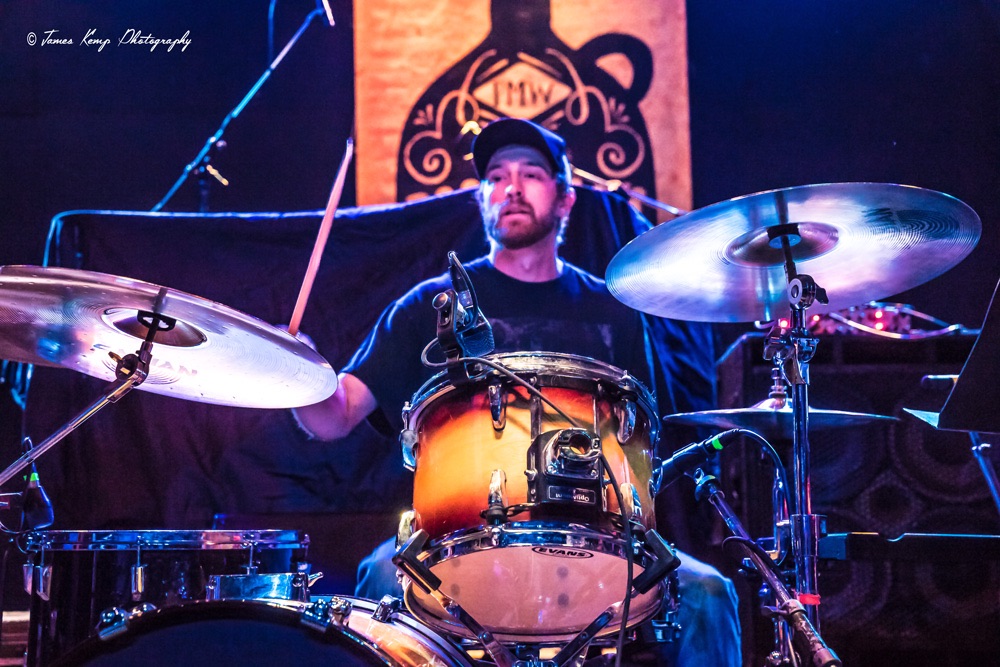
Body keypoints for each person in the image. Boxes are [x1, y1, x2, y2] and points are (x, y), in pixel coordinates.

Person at [293, 118, 741, 666]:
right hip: (456, 536)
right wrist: (295, 369)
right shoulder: (430, 305)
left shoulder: (611, 309)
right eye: (496, 177)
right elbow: (332, 417)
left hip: (595, 533)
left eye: (531, 174)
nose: (511, 187)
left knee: (709, 594)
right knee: (380, 574)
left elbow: (643, 444)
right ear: (481, 200)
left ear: (565, 199)